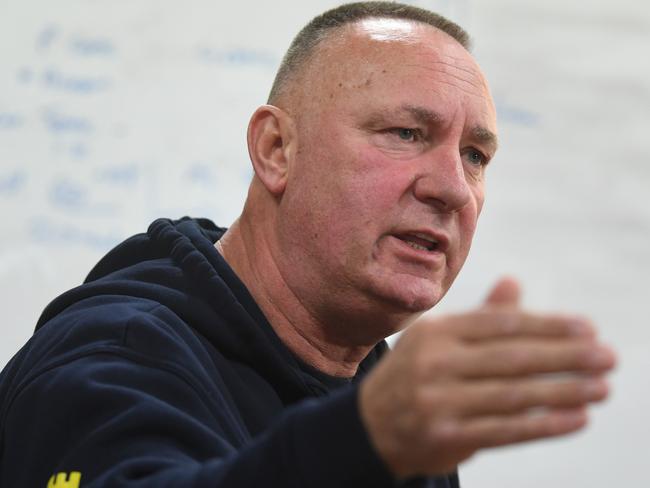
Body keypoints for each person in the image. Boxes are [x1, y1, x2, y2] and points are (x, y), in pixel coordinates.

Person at [0, 2, 616, 487]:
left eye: (475, 155)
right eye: (405, 132)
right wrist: (361, 441)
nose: (453, 188)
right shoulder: (110, 362)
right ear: (276, 150)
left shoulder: (390, 398)